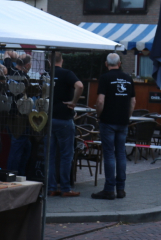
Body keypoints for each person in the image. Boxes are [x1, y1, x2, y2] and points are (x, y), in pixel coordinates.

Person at [92, 53, 136, 200]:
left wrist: (99, 115)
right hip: (123, 121)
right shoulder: (129, 78)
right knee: (121, 154)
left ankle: (109, 189)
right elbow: (133, 102)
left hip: (108, 121)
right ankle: (121, 189)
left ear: (106, 64)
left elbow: (100, 101)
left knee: (109, 154)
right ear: (120, 63)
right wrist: (127, 116)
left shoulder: (105, 78)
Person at [48, 52, 84, 198]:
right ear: (62, 60)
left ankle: (51, 188)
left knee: (49, 156)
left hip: (48, 119)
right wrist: (74, 102)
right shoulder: (67, 74)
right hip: (64, 119)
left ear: (49, 61)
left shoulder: (46, 75)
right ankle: (65, 188)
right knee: (66, 156)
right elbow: (80, 86)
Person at [6, 56, 32, 175]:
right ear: (27, 65)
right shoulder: (25, 78)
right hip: (20, 117)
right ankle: (13, 175)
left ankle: (21, 174)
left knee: (26, 146)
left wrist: (16, 56)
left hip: (8, 113)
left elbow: (7, 53)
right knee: (16, 148)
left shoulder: (9, 70)